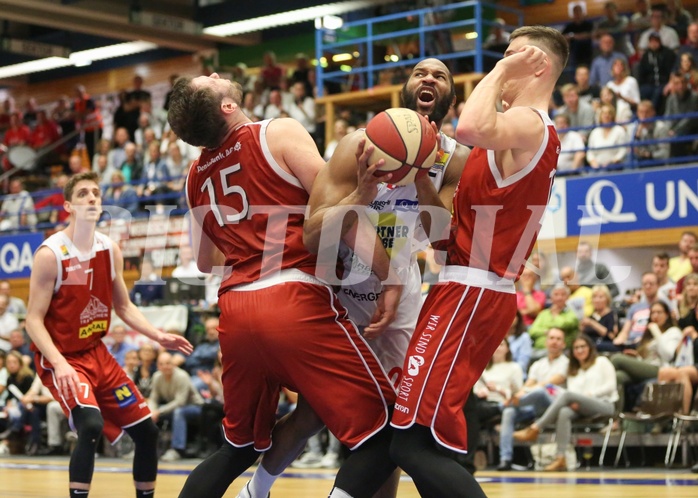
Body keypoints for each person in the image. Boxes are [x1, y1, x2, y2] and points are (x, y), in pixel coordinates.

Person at [167, 74, 397, 498]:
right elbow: (336, 217)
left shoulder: (194, 176)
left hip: (236, 309)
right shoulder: (280, 131)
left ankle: (255, 490)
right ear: (227, 107)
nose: (218, 74)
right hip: (292, 297)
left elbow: (204, 261)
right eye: (211, 79)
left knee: (237, 447)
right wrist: (388, 274)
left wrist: (248, 240)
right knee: (386, 429)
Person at [389, 26, 569, 496]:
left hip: (474, 291)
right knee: (423, 438)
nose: (502, 65)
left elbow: (468, 127)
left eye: (512, 56)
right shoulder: (512, 135)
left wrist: (501, 69)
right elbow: (448, 230)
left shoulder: (530, 123)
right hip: (461, 286)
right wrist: (420, 181)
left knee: (408, 443)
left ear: (538, 65)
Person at [24, 171, 193, 498]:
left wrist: (158, 336)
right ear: (68, 206)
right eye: (84, 194)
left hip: (97, 352)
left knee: (147, 432)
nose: (92, 198)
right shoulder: (51, 254)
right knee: (90, 426)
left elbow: (124, 307)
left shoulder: (109, 249)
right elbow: (32, 320)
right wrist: (60, 365)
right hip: (61, 355)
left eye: (96, 194)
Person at [513, 334, 618, 471]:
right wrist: (576, 400)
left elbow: (611, 386)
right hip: (581, 408)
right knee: (564, 412)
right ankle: (560, 458)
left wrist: (587, 395)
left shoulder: (602, 361)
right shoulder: (573, 370)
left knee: (567, 395)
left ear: (590, 348)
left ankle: (535, 428)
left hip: (604, 405)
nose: (580, 350)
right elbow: (573, 393)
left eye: (583, 346)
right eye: (576, 348)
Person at [497, 327, 569, 471]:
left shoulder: (567, 362)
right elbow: (527, 385)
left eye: (558, 339)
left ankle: (501, 406)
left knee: (541, 391)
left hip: (554, 405)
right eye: (552, 338)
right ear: (546, 341)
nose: (554, 342)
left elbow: (550, 383)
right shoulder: (538, 364)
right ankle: (505, 459)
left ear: (564, 344)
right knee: (509, 412)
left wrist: (522, 394)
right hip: (533, 406)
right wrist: (518, 395)